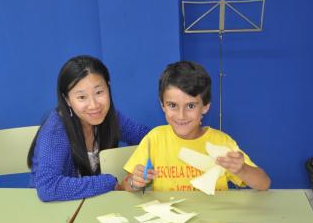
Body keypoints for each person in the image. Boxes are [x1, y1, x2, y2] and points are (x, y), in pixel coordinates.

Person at [124, 61, 271, 192]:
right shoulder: (154, 139)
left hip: (212, 220)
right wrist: (135, 183)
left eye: (190, 106)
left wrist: (242, 169)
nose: (181, 116)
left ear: (205, 107)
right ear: (162, 105)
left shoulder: (220, 142)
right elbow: (125, 185)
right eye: (173, 105)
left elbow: (264, 184)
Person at [28, 55, 150, 201]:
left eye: (99, 92)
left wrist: (136, 170)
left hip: (93, 204)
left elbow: (149, 138)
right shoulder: (56, 130)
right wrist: (109, 183)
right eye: (81, 97)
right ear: (67, 99)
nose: (94, 105)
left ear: (108, 87)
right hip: (53, 211)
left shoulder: (110, 117)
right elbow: (48, 187)